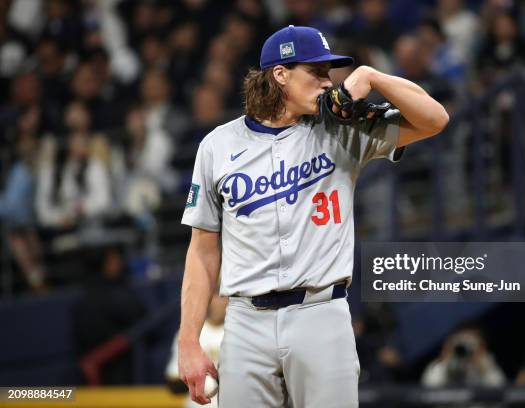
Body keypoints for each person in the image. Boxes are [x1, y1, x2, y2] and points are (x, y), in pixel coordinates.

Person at [178, 25, 448, 407]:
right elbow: (202, 251)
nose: (327, 82)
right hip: (245, 321)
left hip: (321, 313)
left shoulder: (343, 129)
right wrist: (189, 341)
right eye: (316, 72)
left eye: (329, 72)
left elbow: (434, 119)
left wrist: (371, 76)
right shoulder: (216, 146)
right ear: (280, 74)